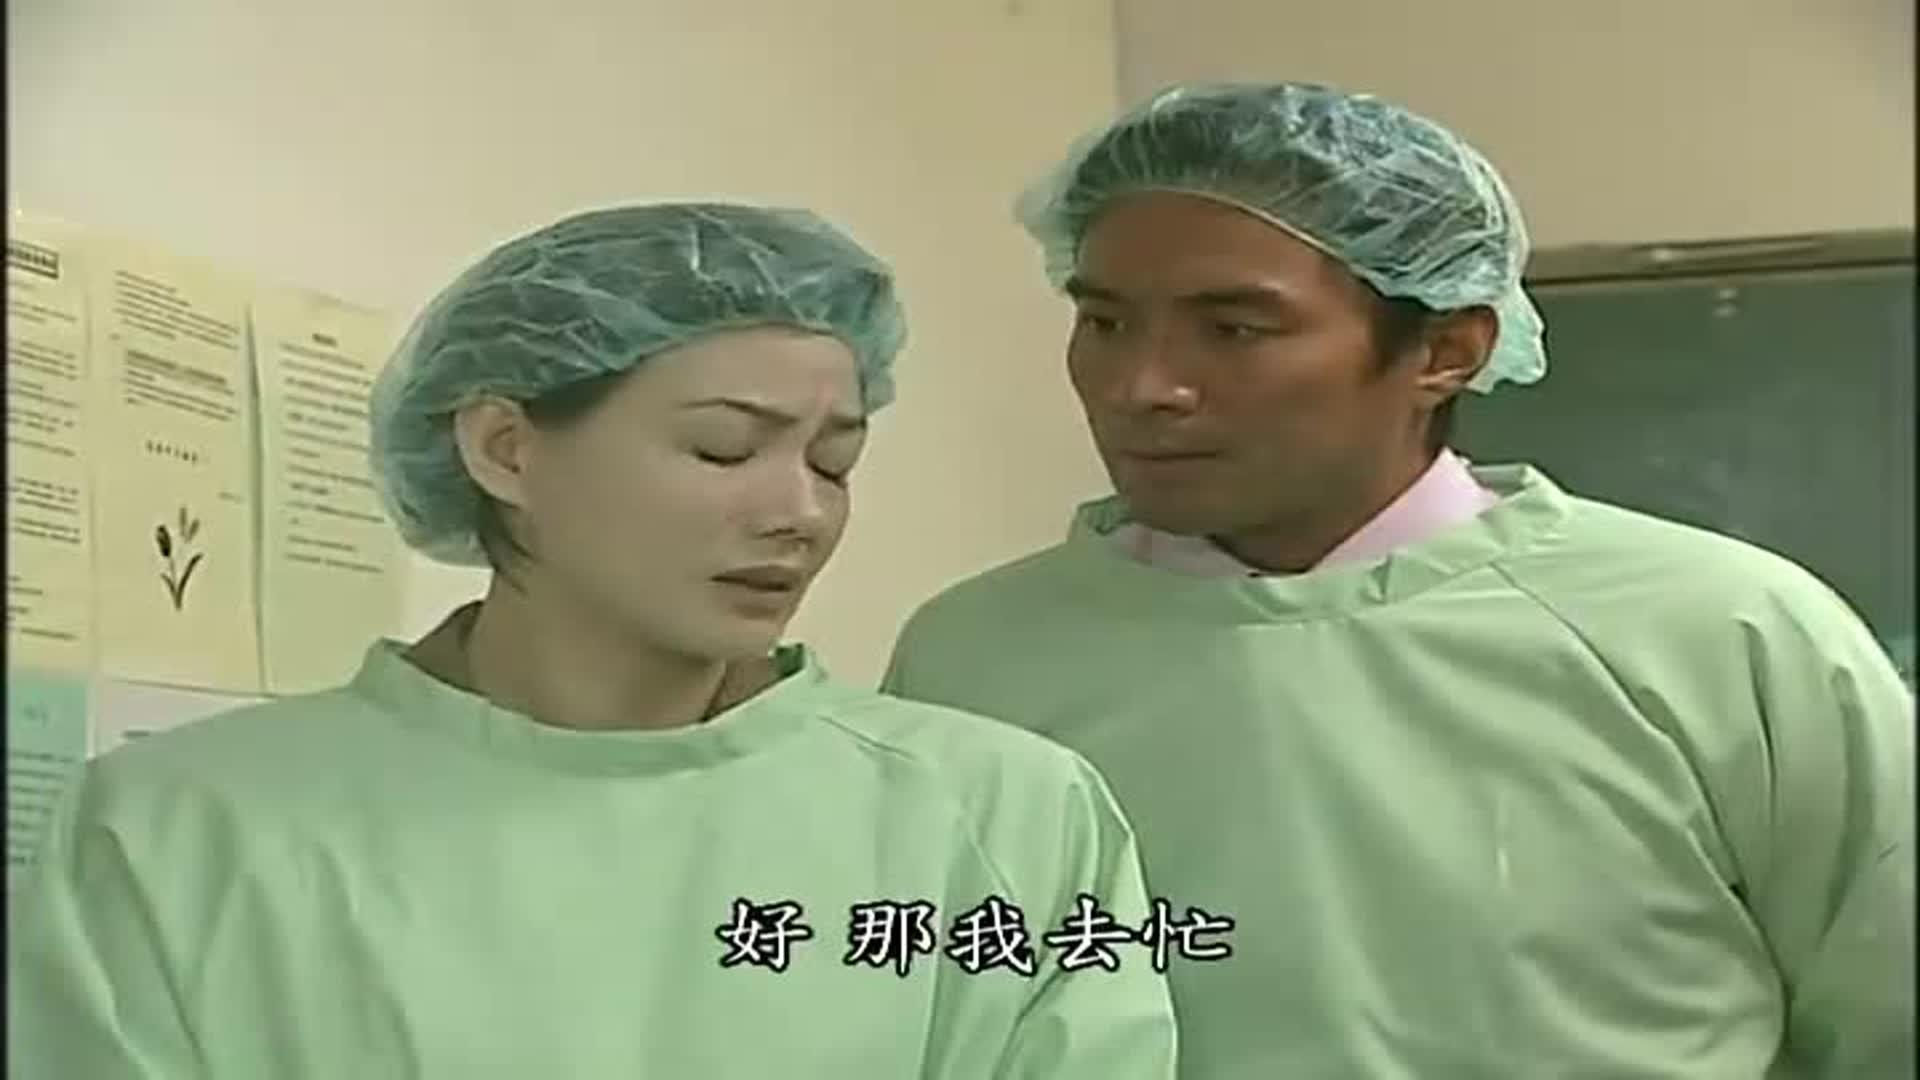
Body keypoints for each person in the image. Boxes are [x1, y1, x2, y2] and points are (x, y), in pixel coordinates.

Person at [881, 82, 1915, 1076]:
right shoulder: (976, 662)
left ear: (1446, 351)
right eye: (1105, 323)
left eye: (1234, 330)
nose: (1143, 386)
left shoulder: (1718, 631)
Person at [8, 203, 1180, 1078]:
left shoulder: (1005, 816)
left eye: (834, 462)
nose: (800, 512)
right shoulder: (177, 832)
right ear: (504, 450)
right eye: (725, 448)